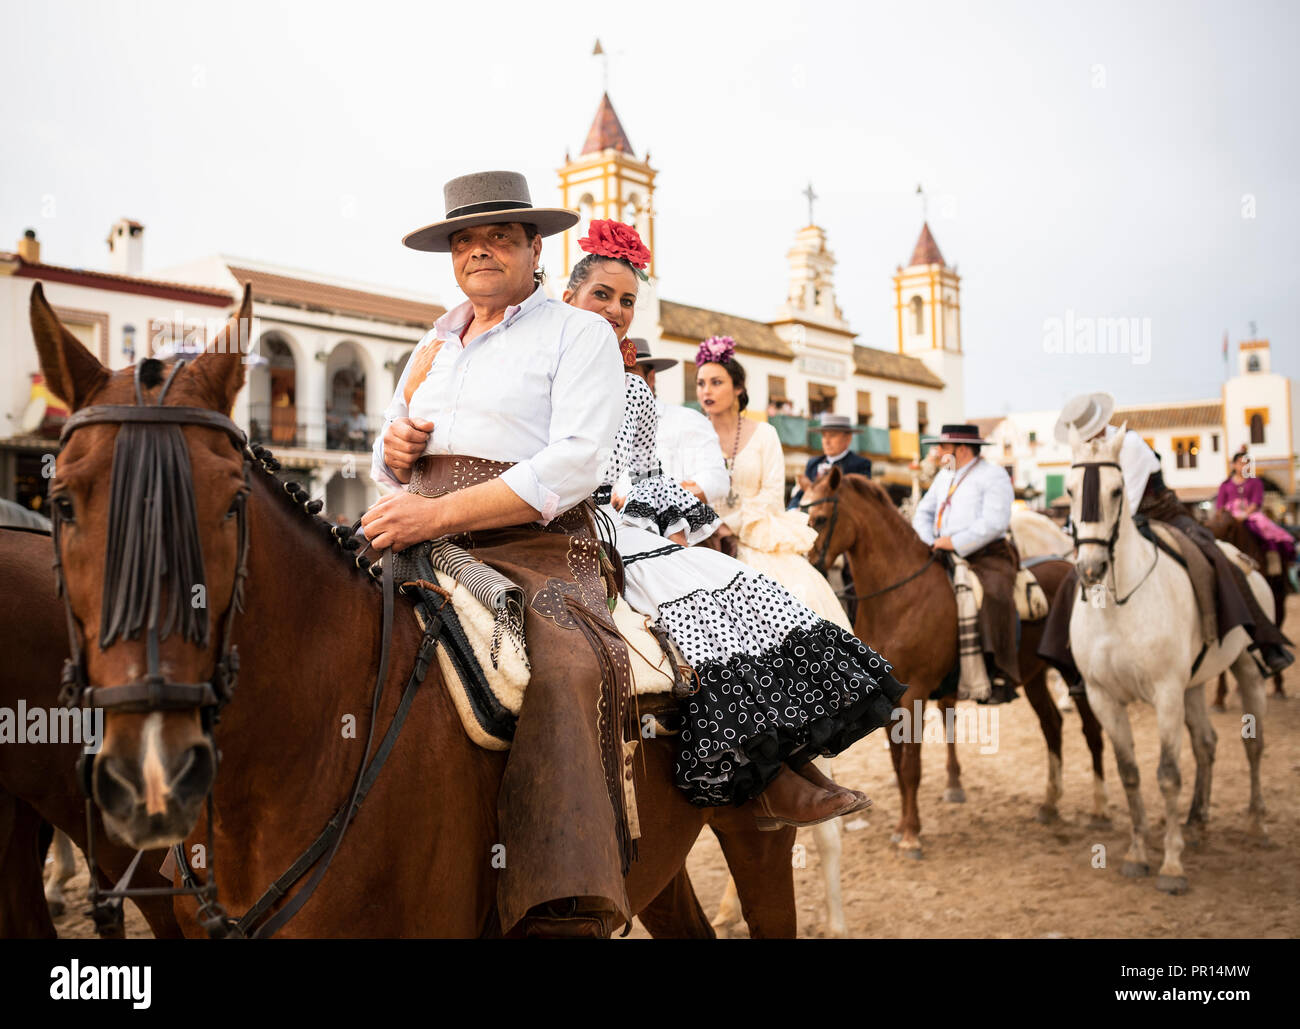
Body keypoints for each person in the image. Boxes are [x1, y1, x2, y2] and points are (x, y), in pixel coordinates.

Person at [361, 170, 631, 939]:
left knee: (566, 663)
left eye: (499, 236)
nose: (478, 249)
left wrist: (438, 511)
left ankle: (563, 889)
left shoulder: (578, 334)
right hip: (417, 529)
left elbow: (577, 460)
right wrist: (393, 450)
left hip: (536, 546)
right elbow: (385, 472)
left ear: (533, 246)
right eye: (464, 239)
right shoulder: (430, 345)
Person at [566, 221, 904, 816]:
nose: (617, 311)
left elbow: (648, 476)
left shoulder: (645, 398)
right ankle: (759, 769)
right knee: (703, 600)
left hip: (655, 525)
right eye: (602, 295)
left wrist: (673, 510)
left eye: (626, 301)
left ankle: (785, 759)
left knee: (749, 589)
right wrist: (634, 502)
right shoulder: (548, 361)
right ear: (569, 297)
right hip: (570, 517)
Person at [1039, 392, 1293, 692]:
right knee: (1076, 574)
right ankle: (1073, 661)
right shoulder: (1082, 451)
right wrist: (1079, 534)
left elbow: (1129, 500)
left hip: (1163, 515)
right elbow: (1084, 497)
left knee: (1212, 554)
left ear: (1099, 425)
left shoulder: (1129, 444)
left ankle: (1262, 640)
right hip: (1110, 525)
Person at [696, 338, 852, 628]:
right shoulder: (690, 434)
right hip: (701, 537)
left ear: (738, 388)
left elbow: (771, 494)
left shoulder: (765, 434)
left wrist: (733, 524)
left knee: (799, 596)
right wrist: (709, 526)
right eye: (701, 383)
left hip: (756, 535)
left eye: (716, 382)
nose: (706, 390)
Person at [912, 424, 1020, 702]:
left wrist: (955, 541)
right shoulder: (943, 477)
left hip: (987, 555)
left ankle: (999, 672)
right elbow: (922, 513)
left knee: (994, 593)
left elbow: (994, 523)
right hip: (941, 550)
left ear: (961, 449)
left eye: (942, 447)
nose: (937, 453)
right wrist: (930, 541)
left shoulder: (993, 475)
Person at [622, 338, 731, 510]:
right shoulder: (602, 428)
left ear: (651, 378)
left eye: (629, 374)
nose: (621, 381)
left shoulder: (687, 420)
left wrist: (648, 498)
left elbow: (716, 480)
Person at [1218, 449, 1296, 566]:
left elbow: (1256, 502)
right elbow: (1220, 505)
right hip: (1229, 516)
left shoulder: (1255, 482)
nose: (1243, 466)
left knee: (1263, 532)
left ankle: (1272, 560)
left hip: (1250, 515)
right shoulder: (1226, 484)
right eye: (1240, 463)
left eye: (1246, 463)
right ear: (1234, 465)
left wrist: (1244, 515)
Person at [787, 412, 872, 510]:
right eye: (824, 436)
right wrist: (792, 510)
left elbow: (859, 500)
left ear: (848, 439)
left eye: (832, 436)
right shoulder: (813, 463)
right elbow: (800, 494)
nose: (826, 441)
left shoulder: (860, 465)